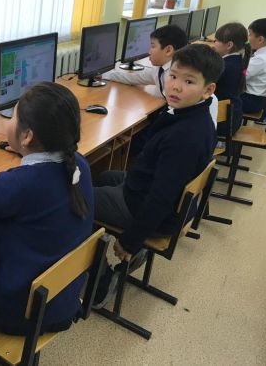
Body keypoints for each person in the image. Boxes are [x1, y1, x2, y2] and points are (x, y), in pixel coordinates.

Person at [0, 82, 94, 337]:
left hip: (20, 312)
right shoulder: (79, 165)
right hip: (59, 298)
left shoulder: (20, 184)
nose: (8, 122)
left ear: (27, 136)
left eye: (12, 118)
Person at [92, 44, 223, 307]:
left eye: (188, 82)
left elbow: (161, 197)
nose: (175, 86)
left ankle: (101, 281)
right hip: (154, 195)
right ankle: (123, 246)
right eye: (173, 76)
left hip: (151, 209)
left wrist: (131, 241)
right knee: (105, 176)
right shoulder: (193, 115)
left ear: (208, 90)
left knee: (76, 201)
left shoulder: (185, 137)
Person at [105, 24, 219, 127]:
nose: (149, 51)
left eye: (153, 46)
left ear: (168, 50)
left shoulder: (175, 74)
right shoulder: (160, 70)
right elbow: (135, 77)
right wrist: (105, 74)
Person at [212, 22, 250, 135]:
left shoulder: (225, 67)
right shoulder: (238, 60)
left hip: (223, 123)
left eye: (216, 41)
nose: (214, 44)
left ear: (229, 45)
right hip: (232, 118)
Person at [241, 18, 266, 115]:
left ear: (260, 39)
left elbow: (241, 75)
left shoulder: (261, 60)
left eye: (250, 34)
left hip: (249, 101)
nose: (248, 38)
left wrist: (241, 69)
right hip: (260, 100)